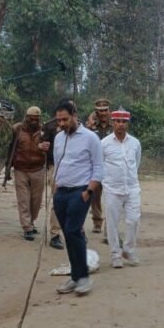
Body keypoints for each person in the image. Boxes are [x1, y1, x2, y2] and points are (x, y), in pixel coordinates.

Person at [41, 100, 103, 295]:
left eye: (65, 119)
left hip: (80, 191)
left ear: (75, 115)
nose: (62, 123)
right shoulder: (59, 138)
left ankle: (83, 277)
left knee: (73, 230)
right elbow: (58, 163)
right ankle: (75, 276)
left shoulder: (90, 138)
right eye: (59, 120)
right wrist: (56, 188)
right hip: (61, 192)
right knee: (68, 234)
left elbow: (98, 167)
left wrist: (89, 191)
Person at [100, 108, 142, 268]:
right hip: (112, 189)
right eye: (117, 121)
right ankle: (115, 255)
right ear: (112, 123)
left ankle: (128, 250)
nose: (120, 124)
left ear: (128, 124)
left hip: (132, 187)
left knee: (134, 220)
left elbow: (136, 163)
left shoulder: (135, 143)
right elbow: (100, 165)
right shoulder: (104, 144)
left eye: (124, 122)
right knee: (112, 223)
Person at [5, 106, 48, 241]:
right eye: (31, 119)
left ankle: (31, 221)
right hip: (21, 170)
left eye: (36, 119)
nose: (34, 121)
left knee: (36, 201)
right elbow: (11, 148)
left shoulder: (44, 131)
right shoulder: (17, 129)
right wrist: (7, 168)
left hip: (38, 169)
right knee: (23, 200)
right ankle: (27, 228)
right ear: (26, 118)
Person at [85, 98, 112, 235]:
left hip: (110, 166)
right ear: (96, 111)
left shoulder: (115, 124)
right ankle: (97, 222)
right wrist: (90, 127)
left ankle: (110, 224)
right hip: (95, 165)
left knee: (111, 196)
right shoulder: (90, 125)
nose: (103, 113)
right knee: (95, 196)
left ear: (109, 110)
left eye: (105, 110)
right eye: (100, 111)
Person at [41, 116, 65, 249]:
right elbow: (42, 143)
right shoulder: (49, 126)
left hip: (76, 169)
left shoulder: (81, 129)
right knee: (58, 200)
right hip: (55, 167)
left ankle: (78, 231)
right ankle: (55, 234)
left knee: (76, 201)